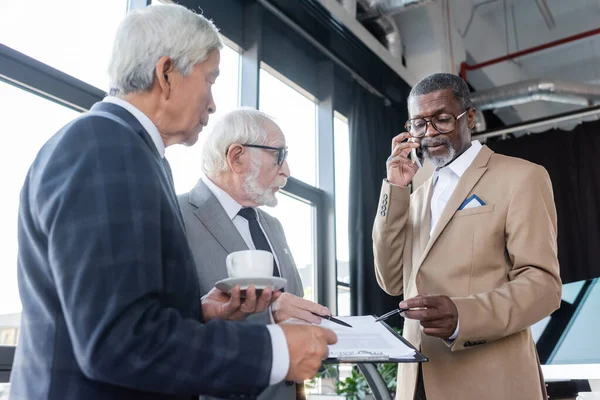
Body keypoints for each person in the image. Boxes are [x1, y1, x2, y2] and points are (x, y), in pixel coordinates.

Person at [10, 5, 336, 400]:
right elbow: (117, 343)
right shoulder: (108, 151)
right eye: (209, 80)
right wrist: (275, 351)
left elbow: (114, 316)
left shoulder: (121, 149)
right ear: (166, 74)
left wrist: (198, 313)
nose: (213, 104)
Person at [372, 73, 561, 400]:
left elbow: (543, 285)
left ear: (469, 117)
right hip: (416, 384)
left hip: (491, 382)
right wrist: (396, 189)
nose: (429, 132)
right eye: (418, 124)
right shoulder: (413, 197)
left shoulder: (522, 177)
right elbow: (391, 281)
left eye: (441, 119)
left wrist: (464, 317)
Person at [178, 107, 334, 400]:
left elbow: (291, 305)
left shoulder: (272, 225)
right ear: (237, 157)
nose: (286, 170)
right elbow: (166, 328)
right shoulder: (174, 216)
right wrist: (268, 316)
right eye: (279, 155)